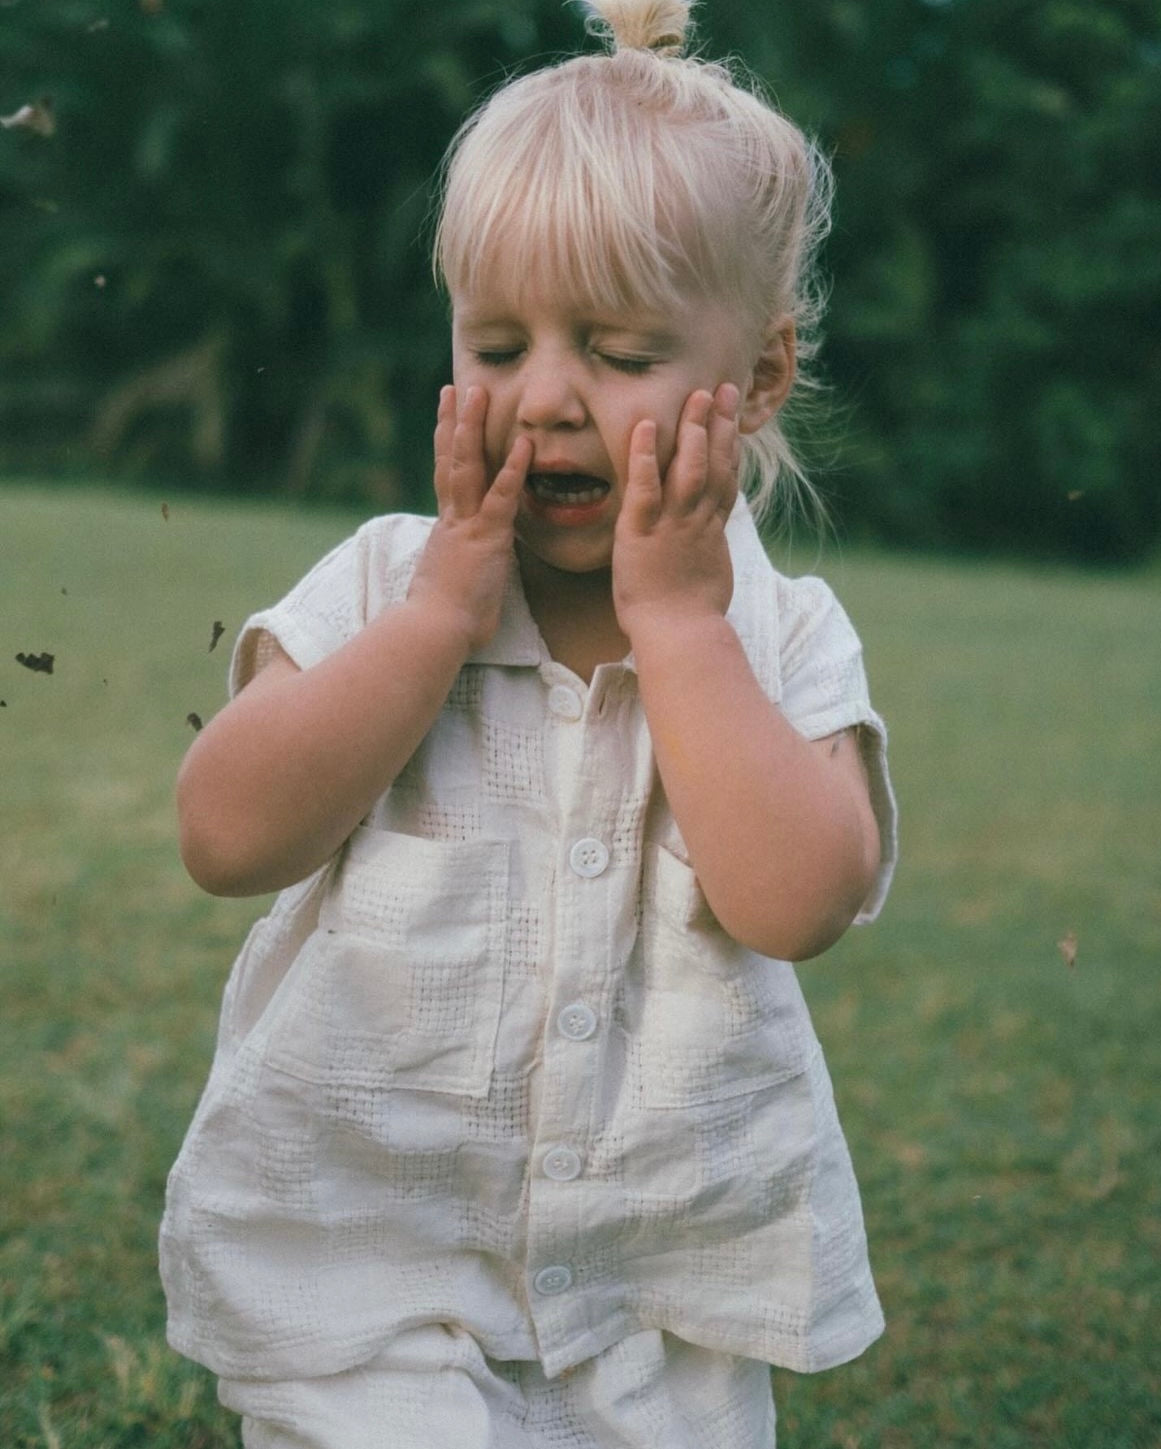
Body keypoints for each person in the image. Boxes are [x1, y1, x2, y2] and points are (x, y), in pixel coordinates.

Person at [160, 1, 898, 1443]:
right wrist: (436, 616)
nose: (543, 398)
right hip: (372, 1270)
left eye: (619, 355)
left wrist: (679, 629)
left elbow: (797, 899)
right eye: (496, 345)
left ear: (753, 380)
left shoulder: (777, 635)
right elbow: (224, 833)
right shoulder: (385, 579)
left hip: (650, 1304)